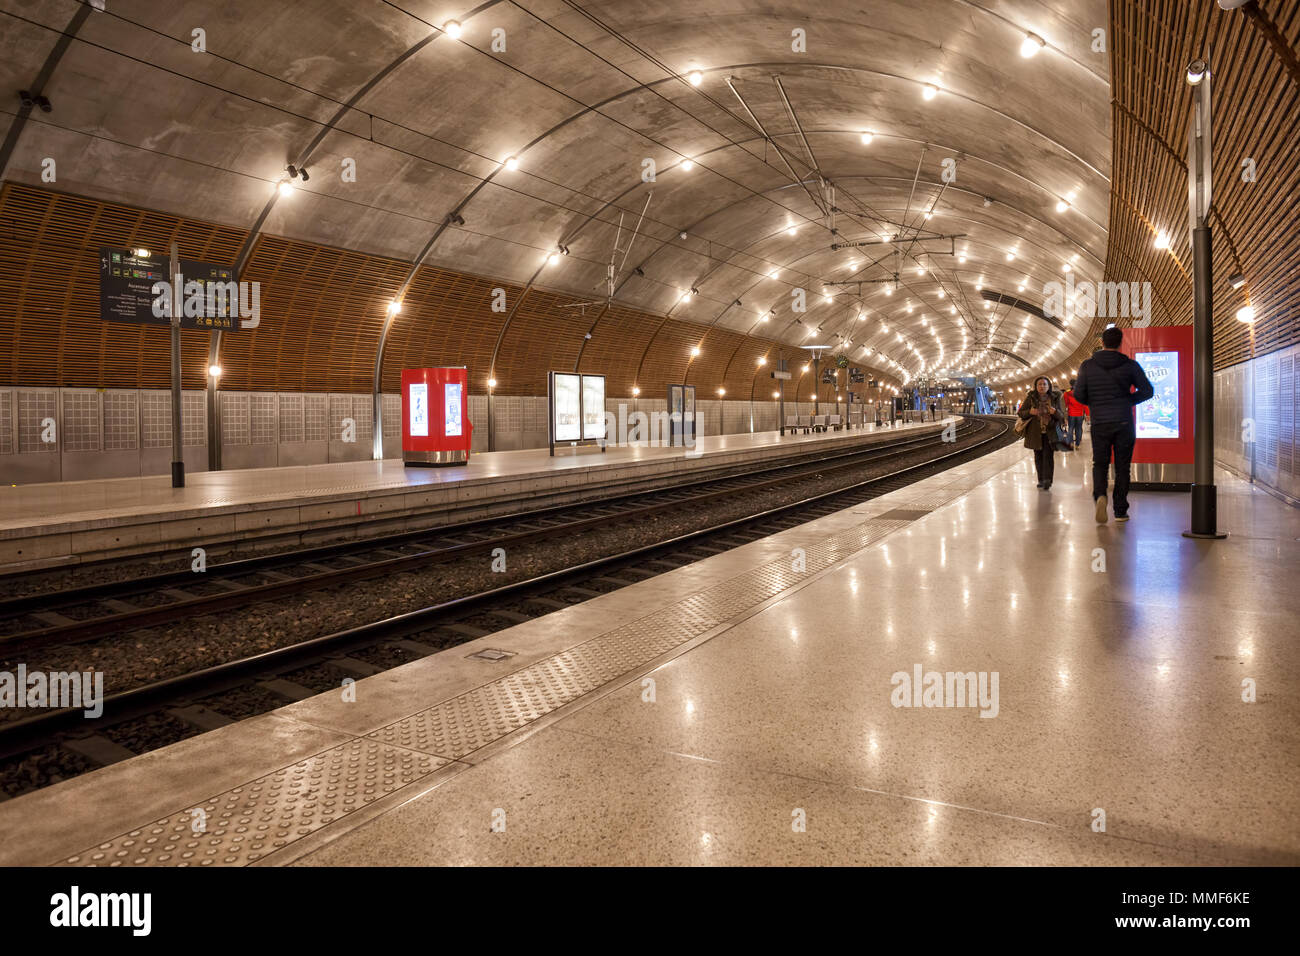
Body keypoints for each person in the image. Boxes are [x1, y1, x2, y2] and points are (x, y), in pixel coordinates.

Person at [1074, 326, 1155, 523]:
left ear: (1102, 342)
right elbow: (1148, 391)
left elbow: (1078, 394)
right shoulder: (1130, 365)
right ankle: (1120, 510)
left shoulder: (1087, 365)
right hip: (1123, 421)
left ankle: (1100, 495)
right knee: (1122, 466)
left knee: (1099, 463)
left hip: (1100, 422)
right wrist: (1128, 400)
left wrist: (1095, 403)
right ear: (1120, 343)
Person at [1018, 376, 1064, 490]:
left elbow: (1062, 416)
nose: (1042, 386)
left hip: (1050, 432)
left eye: (1044, 384)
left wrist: (1055, 412)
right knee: (1038, 456)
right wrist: (1030, 412)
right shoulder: (1031, 397)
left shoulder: (1055, 397)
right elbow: (1021, 413)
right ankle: (1041, 480)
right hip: (1035, 432)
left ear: (1049, 386)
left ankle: (1047, 480)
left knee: (1048, 456)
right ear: (1036, 386)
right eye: (1040, 384)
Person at [1063, 379, 1088, 449]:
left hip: (1071, 414)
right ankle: (1077, 444)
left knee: (1070, 428)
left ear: (1070, 384)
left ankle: (1070, 443)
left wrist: (1064, 414)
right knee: (1079, 429)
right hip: (1080, 414)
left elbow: (1066, 404)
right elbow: (1085, 404)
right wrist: (1087, 414)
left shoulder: (1067, 393)